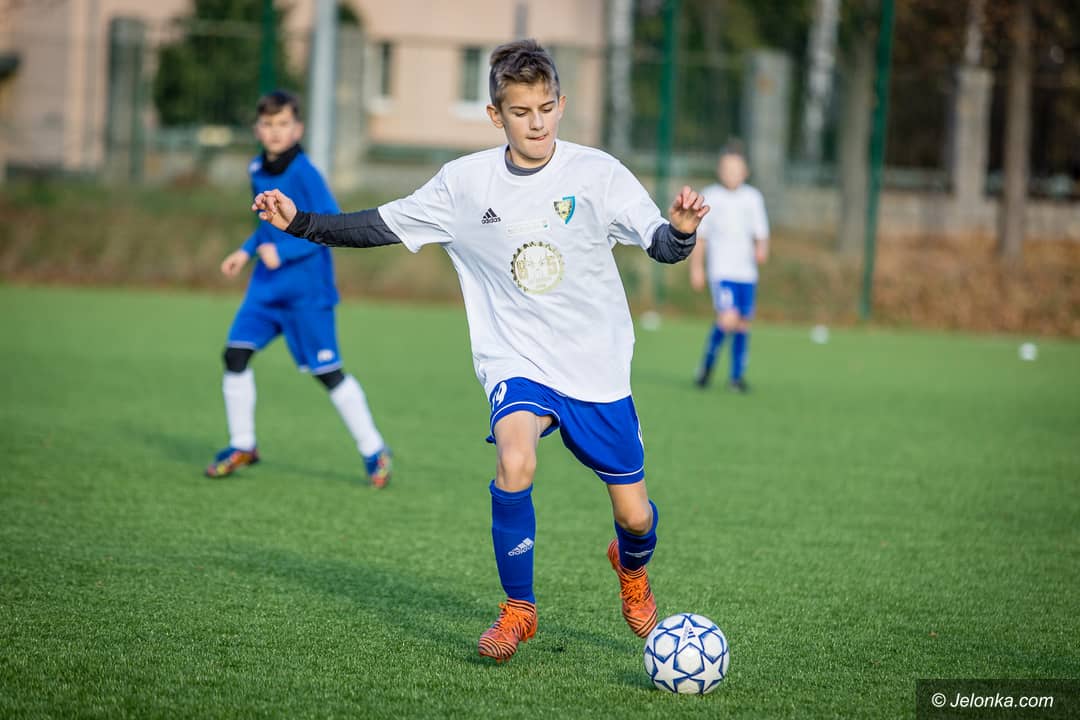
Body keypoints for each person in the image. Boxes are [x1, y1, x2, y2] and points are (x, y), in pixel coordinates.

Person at [251, 40, 709, 662]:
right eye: (521, 112)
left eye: (546, 108)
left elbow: (661, 244)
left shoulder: (596, 173)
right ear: (496, 116)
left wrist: (681, 231)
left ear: (561, 105)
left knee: (635, 518)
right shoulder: (464, 184)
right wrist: (300, 222)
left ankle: (631, 569)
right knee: (514, 462)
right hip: (515, 358)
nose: (537, 123)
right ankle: (518, 609)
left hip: (595, 366)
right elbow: (380, 225)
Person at [207, 89, 392, 488]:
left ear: (298, 129)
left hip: (307, 293)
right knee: (235, 355)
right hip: (265, 289)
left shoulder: (306, 173)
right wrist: (246, 251)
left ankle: (374, 450)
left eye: (283, 124)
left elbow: (329, 225)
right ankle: (243, 445)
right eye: (268, 124)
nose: (275, 131)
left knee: (328, 373)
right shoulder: (257, 168)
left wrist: (284, 251)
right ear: (257, 129)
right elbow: (266, 222)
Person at [689, 145, 770, 392]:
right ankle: (706, 368)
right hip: (722, 271)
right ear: (719, 171)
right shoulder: (711, 196)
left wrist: (762, 248)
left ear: (745, 172)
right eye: (727, 169)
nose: (731, 174)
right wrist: (697, 268)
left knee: (742, 323)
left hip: (746, 273)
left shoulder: (753, 198)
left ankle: (736, 377)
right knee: (727, 319)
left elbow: (761, 232)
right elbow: (701, 238)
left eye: (736, 169)